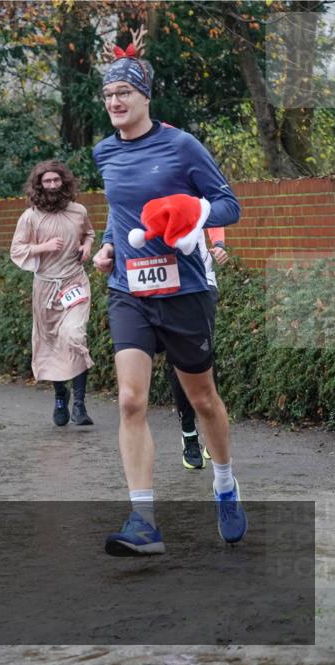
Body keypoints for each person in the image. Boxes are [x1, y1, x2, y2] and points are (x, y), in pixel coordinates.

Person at [90, 30, 245, 556]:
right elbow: (119, 209)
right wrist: (110, 245)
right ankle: (142, 519)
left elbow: (229, 206)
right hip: (129, 289)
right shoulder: (104, 151)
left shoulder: (181, 145)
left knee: (203, 400)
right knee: (131, 400)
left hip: (185, 290)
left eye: (123, 94)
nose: (114, 102)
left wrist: (192, 217)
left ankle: (224, 481)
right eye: (108, 95)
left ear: (145, 97)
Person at [10, 161, 96, 426]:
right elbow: (17, 250)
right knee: (51, 345)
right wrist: (42, 246)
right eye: (46, 182)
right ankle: (61, 397)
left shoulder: (78, 211)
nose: (52, 186)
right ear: (39, 185)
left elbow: (90, 233)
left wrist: (87, 246)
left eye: (56, 181)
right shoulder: (30, 217)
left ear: (64, 182)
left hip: (74, 284)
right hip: (46, 288)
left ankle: (80, 404)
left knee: (74, 336)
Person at [169, 228, 228, 469]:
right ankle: (189, 433)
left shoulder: (195, 189)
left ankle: (210, 428)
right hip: (167, 283)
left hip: (203, 281)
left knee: (203, 357)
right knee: (177, 358)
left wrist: (220, 244)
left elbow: (212, 211)